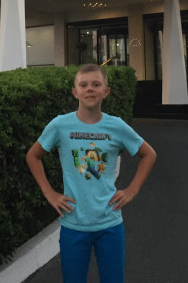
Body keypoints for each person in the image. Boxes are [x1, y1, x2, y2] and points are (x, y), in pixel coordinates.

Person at [26, 63, 157, 283]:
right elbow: (33, 156)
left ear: (106, 91)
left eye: (96, 84)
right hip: (73, 224)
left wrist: (132, 190)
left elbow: (149, 154)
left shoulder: (116, 126)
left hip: (110, 223)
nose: (89, 89)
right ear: (75, 92)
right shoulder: (60, 125)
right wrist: (49, 193)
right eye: (83, 85)